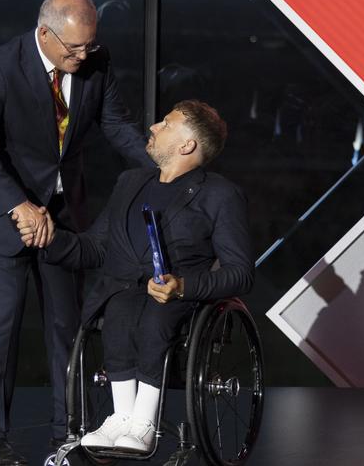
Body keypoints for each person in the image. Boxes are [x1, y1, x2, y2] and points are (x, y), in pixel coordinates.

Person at [0, 0, 151, 466]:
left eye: (90, 46)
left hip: (63, 214)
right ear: (45, 33)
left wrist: (163, 167)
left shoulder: (96, 61)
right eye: (73, 50)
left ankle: (70, 435)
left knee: (68, 328)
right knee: (3, 325)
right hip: (5, 212)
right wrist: (18, 205)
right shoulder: (2, 65)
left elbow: (116, 123)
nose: (84, 57)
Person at [19, 100, 254, 453]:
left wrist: (183, 286)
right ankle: (121, 418)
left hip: (178, 298)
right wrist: (51, 239)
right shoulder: (130, 183)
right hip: (122, 291)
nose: (154, 127)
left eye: (166, 124)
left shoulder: (219, 195)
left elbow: (240, 273)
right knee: (118, 314)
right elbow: (96, 248)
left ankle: (144, 422)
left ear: (186, 145)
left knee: (153, 318)